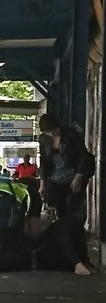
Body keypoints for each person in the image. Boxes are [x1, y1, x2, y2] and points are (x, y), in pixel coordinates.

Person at [37, 113, 95, 275]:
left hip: (74, 180)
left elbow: (84, 157)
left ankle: (80, 260)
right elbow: (44, 164)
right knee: (64, 221)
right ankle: (77, 261)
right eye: (48, 132)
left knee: (74, 220)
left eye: (52, 131)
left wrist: (79, 176)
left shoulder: (71, 136)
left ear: (57, 126)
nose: (51, 134)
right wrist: (43, 184)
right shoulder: (45, 140)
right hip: (56, 183)